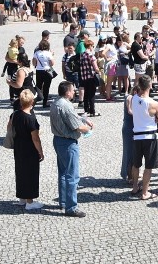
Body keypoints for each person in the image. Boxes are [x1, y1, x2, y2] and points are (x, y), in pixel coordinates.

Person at [50, 81, 93, 217]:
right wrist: (87, 128)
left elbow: (71, 118)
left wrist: (83, 119)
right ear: (67, 92)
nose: (74, 91)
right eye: (72, 90)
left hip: (58, 140)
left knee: (62, 173)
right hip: (68, 143)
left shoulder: (56, 103)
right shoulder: (66, 106)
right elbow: (76, 126)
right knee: (72, 176)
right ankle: (71, 207)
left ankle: (63, 201)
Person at [9, 89, 45, 210]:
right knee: (30, 174)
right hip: (29, 149)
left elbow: (9, 127)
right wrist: (40, 151)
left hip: (19, 146)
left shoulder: (15, 114)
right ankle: (30, 202)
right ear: (31, 102)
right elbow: (35, 138)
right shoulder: (30, 119)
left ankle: (22, 198)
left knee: (20, 172)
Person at [130, 75, 158, 201]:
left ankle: (135, 186)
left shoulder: (133, 99)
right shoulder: (153, 103)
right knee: (148, 166)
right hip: (149, 136)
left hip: (136, 135)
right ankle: (145, 192)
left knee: (136, 164)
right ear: (150, 86)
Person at [31, 39, 55, 108]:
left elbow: (34, 63)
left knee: (38, 86)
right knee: (46, 87)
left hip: (39, 71)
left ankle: (35, 101)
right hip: (47, 70)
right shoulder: (48, 53)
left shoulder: (36, 53)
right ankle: (45, 103)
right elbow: (52, 63)